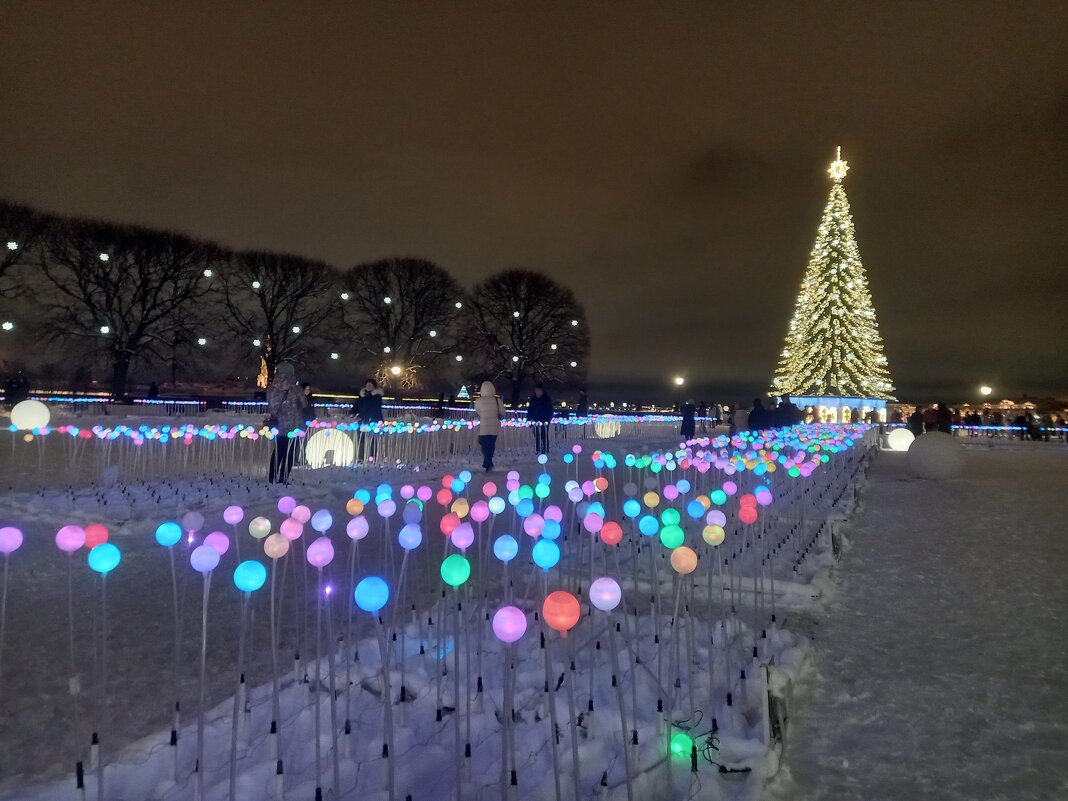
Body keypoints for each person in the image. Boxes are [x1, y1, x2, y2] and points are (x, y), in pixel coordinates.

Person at [266, 362, 309, 484]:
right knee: (289, 453)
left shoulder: (271, 388)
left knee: (278, 451)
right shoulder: (295, 389)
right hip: (293, 425)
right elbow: (304, 403)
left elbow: (270, 405)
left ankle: (272, 477)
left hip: (277, 425)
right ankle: (283, 478)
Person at [474, 380, 504, 471]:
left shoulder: (478, 401)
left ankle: (487, 463)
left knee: (484, 444)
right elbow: (502, 412)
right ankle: (488, 462)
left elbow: (477, 412)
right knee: (491, 445)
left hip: (484, 427)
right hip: (494, 427)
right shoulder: (497, 401)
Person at [355, 378, 384, 461]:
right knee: (362, 440)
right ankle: (361, 458)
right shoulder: (362, 396)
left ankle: (372, 459)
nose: (368, 386)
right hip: (363, 421)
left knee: (373, 441)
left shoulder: (377, 397)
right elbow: (357, 406)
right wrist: (353, 412)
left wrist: (368, 417)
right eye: (367, 385)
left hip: (374, 421)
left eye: (370, 385)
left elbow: (375, 409)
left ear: (374, 387)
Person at [527, 383, 554, 455]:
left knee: (544, 434)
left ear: (542, 390)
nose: (537, 391)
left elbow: (550, 410)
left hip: (544, 420)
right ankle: (538, 449)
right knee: (537, 435)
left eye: (538, 390)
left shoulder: (546, 399)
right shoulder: (533, 399)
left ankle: (545, 448)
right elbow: (530, 409)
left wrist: (547, 419)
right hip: (535, 419)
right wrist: (529, 419)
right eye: (536, 390)